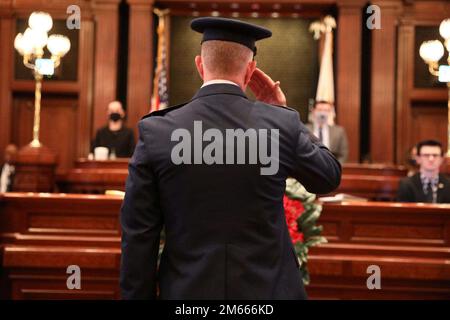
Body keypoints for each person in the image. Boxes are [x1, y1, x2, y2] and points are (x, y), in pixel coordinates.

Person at [120, 17, 341, 300]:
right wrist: (283, 114)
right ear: (250, 71)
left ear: (200, 65)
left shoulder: (157, 131)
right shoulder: (280, 125)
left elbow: (139, 235)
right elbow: (328, 177)